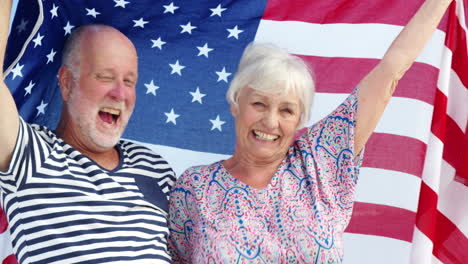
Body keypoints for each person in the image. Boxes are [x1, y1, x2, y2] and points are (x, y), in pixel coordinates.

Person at [168, 0, 453, 263]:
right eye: (259, 104)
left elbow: (391, 70)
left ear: (300, 119)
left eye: (286, 110)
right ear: (235, 104)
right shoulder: (194, 188)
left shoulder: (321, 160)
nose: (270, 121)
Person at [0, 1, 175, 263]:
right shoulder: (32, 155)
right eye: (105, 77)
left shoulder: (155, 167)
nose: (120, 93)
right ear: (67, 83)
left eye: (129, 81)